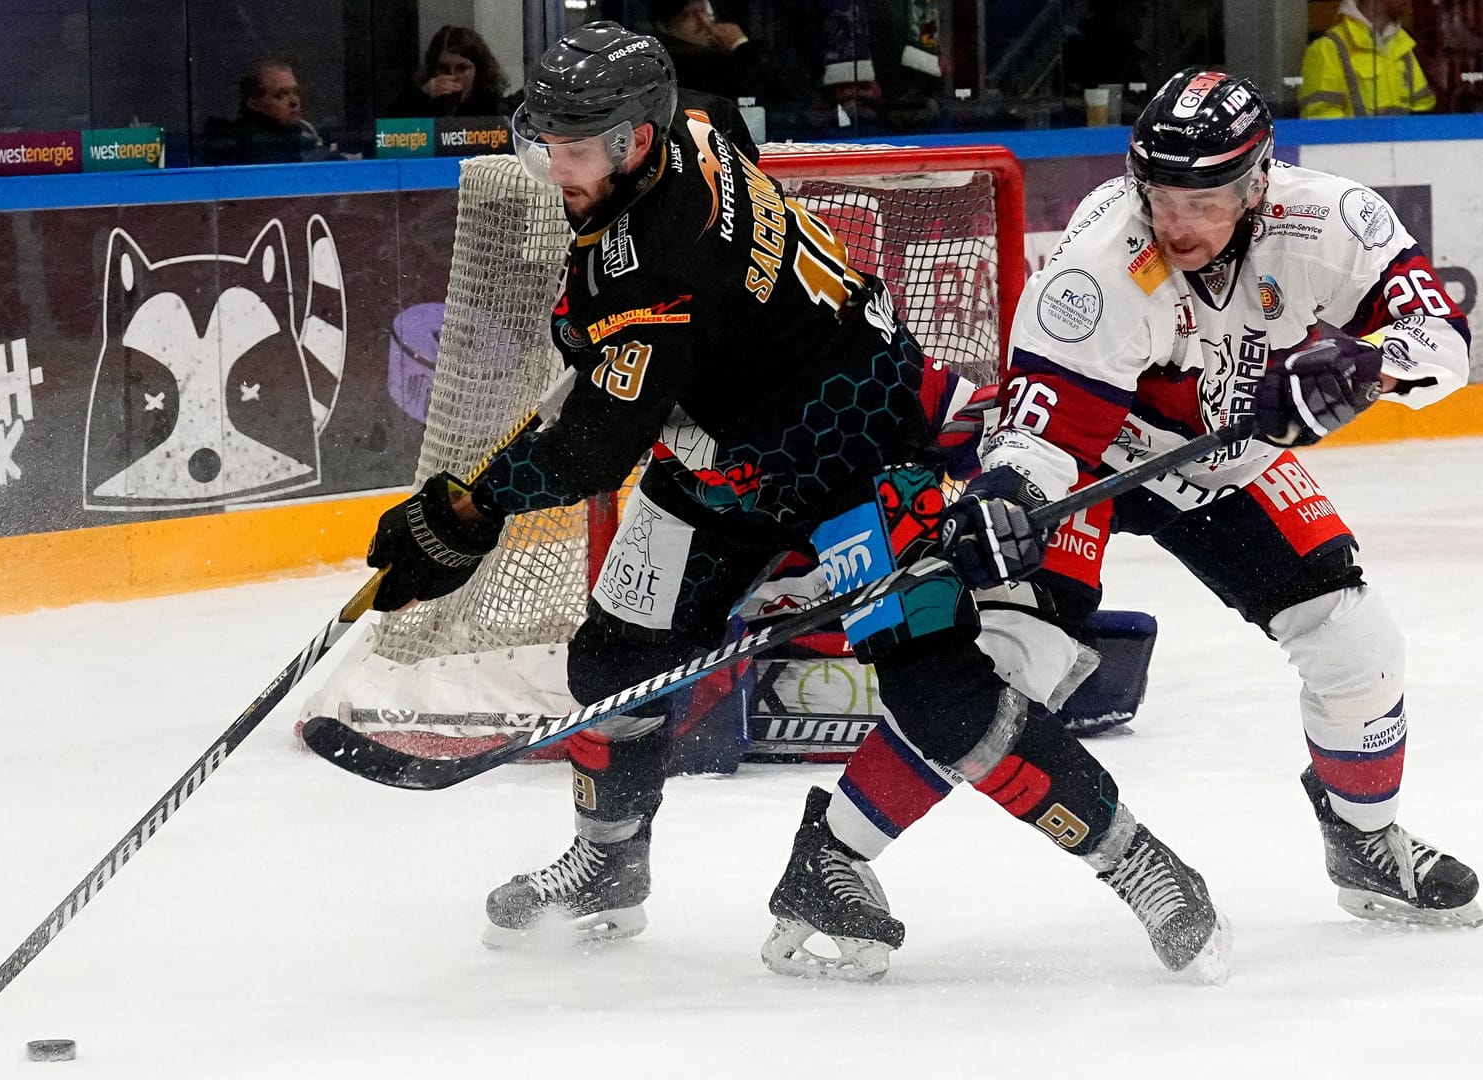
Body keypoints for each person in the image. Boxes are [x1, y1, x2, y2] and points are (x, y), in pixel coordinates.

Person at [360, 21, 1229, 984]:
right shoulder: (696, 129)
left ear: (635, 141)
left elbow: (596, 445)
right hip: (724, 464)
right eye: (546, 146)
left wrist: (467, 515)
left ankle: (1138, 864)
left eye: (572, 151)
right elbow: (656, 345)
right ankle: (608, 869)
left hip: (854, 455)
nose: (552, 169)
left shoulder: (653, 260)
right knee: (613, 654)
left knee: (941, 695)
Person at [809, 69, 1483, 983]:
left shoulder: (1331, 222)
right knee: (1011, 664)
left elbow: (1440, 339)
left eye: (1205, 199)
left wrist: (1366, 367)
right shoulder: (1099, 266)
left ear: (1258, 184)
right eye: (1163, 195)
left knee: (1354, 641)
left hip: (1222, 462)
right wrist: (1007, 493)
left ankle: (1365, 845)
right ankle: (832, 857)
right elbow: (1046, 432)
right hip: (1096, 464)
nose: (1180, 223)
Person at [1300, 0, 1437, 118]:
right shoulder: (1328, 49)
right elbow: (1321, 128)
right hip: (1353, 149)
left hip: (1399, 149)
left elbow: (1423, 112)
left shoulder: (1402, 47)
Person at [200, 60, 327, 165]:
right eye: (280, 95)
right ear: (254, 104)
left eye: (295, 92)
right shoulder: (257, 149)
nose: (294, 101)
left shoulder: (298, 137)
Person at [382, 25, 509, 118]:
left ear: (479, 70)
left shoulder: (493, 108)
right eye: (443, 69)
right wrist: (422, 96)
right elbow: (391, 130)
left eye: (462, 68)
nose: (452, 76)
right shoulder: (417, 103)